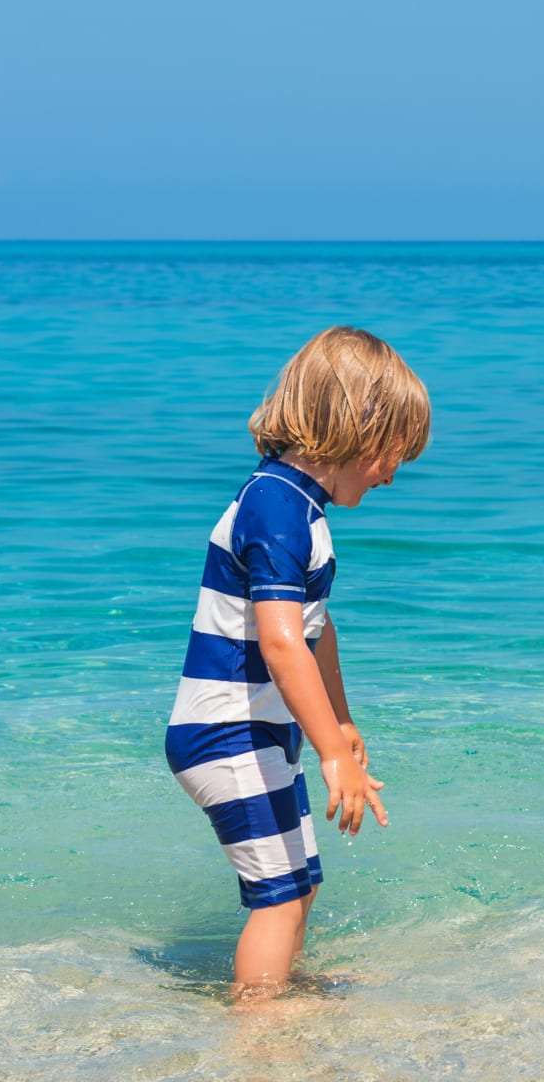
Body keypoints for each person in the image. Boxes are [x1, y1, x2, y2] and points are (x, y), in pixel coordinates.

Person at [164, 326, 430, 1000]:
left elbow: (317, 630)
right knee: (277, 896)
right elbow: (282, 643)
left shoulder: (297, 507)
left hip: (252, 729)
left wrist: (340, 723)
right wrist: (331, 756)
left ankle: (278, 984)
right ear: (358, 430)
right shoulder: (277, 507)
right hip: (227, 732)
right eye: (394, 454)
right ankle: (259, 1024)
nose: (393, 474)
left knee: (298, 879)